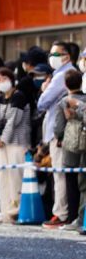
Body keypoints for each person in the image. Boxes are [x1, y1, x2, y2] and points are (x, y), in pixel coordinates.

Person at [40, 42, 76, 229]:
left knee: (60, 174)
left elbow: (43, 102)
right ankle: (63, 213)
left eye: (56, 53)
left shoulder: (61, 75)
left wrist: (44, 89)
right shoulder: (63, 74)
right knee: (63, 174)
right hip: (62, 133)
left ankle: (61, 213)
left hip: (59, 133)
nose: (51, 56)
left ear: (66, 56)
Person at [0, 68, 32, 223]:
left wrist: (2, 139)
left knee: (16, 177)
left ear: (11, 79)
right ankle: (5, 211)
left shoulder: (19, 96)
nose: (1, 82)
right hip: (0, 144)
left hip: (17, 142)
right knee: (3, 177)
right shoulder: (0, 98)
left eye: (4, 78)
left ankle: (17, 211)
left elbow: (13, 120)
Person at [53, 70, 86, 231]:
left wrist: (59, 137)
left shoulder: (64, 101)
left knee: (71, 182)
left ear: (65, 84)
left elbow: (58, 127)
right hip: (84, 144)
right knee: (83, 182)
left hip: (70, 145)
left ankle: (72, 217)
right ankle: (81, 218)